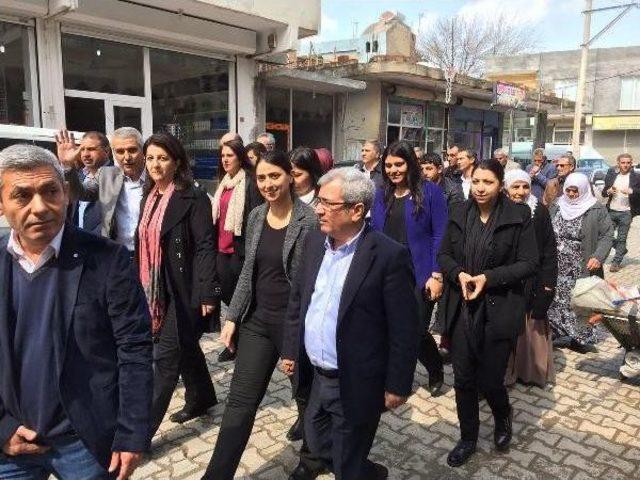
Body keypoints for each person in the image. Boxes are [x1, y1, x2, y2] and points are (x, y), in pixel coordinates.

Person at [0, 144, 152, 479]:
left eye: (50, 191)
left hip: (85, 443)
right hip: (12, 447)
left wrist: (132, 432)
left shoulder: (107, 260)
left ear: (66, 193)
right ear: (1, 203)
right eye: (22, 195)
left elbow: (135, 348)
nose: (39, 207)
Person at [282, 168, 419, 480]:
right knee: (316, 440)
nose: (317, 209)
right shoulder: (315, 240)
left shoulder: (387, 256)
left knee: (347, 460)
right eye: (318, 200)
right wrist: (290, 349)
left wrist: (397, 383)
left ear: (357, 210)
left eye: (327, 203)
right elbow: (299, 299)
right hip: (315, 376)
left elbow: (405, 328)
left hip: (355, 380)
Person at [202, 151, 317, 480]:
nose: (268, 184)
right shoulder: (255, 216)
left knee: (305, 395)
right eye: (262, 178)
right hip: (258, 322)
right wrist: (232, 316)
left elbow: (310, 285)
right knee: (239, 403)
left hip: (295, 324)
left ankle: (312, 458)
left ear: (290, 178)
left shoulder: (308, 221)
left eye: (275, 176)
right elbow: (249, 272)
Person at [437, 159, 538, 467]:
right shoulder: (458, 213)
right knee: (464, 379)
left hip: (499, 307)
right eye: (476, 182)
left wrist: (488, 278)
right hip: (464, 309)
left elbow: (528, 263)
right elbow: (443, 254)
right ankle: (468, 438)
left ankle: (503, 416)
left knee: (491, 380)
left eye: (488, 182)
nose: (480, 188)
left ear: (500, 184)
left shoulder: (519, 216)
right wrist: (459, 275)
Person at [137, 133, 218, 434]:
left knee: (165, 358)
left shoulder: (192, 196)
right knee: (185, 346)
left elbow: (205, 245)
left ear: (177, 161)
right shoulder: (150, 197)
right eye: (151, 158)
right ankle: (202, 397)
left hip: (183, 288)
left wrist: (208, 290)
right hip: (156, 289)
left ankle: (138, 435)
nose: (155, 164)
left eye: (162, 158)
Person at [371, 141, 447, 397]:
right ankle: (391, 375)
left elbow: (440, 235)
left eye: (399, 164)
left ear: (410, 164)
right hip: (387, 272)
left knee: (414, 330)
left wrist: (437, 274)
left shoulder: (430, 192)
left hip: (420, 274)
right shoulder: (381, 193)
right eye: (389, 165)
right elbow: (374, 233)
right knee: (387, 327)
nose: (393, 170)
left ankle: (435, 368)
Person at [503, 170, 558, 388]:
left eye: (525, 187)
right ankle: (504, 371)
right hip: (505, 278)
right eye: (515, 187)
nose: (520, 192)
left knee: (529, 326)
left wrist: (548, 283)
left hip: (532, 280)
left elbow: (549, 250)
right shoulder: (498, 209)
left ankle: (528, 372)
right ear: (506, 187)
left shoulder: (539, 211)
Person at [547, 173, 613, 353]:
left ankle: (580, 338)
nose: (571, 194)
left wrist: (598, 257)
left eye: (575, 190)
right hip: (557, 264)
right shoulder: (556, 205)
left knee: (580, 301)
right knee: (556, 300)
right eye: (568, 189)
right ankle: (557, 333)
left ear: (583, 190)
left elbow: (607, 235)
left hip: (581, 264)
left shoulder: (596, 209)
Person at [211, 139, 263, 362]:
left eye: (230, 155)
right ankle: (239, 337)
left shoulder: (249, 182)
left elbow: (255, 218)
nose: (225, 160)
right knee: (226, 295)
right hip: (221, 248)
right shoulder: (224, 182)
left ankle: (238, 343)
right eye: (223, 156)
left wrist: (252, 252)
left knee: (240, 299)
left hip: (240, 250)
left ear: (240, 157)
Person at [56, 127, 147, 253]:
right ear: (113, 153)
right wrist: (67, 166)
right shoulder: (107, 175)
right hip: (117, 255)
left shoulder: (155, 177)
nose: (127, 157)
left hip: (149, 254)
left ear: (143, 151)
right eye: (120, 151)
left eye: (132, 150)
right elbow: (82, 193)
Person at [603, 153, 640, 272]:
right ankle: (622, 249)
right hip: (611, 211)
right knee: (605, 235)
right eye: (623, 163)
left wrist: (632, 191)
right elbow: (604, 192)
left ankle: (616, 262)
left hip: (627, 212)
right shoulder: (612, 176)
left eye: (628, 163)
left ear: (631, 163)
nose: (625, 165)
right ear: (618, 163)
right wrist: (608, 191)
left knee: (622, 238)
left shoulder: (636, 177)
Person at [73, 132, 112, 235]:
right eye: (82, 149)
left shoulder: (115, 174)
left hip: (101, 245)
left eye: (91, 149)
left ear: (107, 151)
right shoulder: (79, 175)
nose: (85, 154)